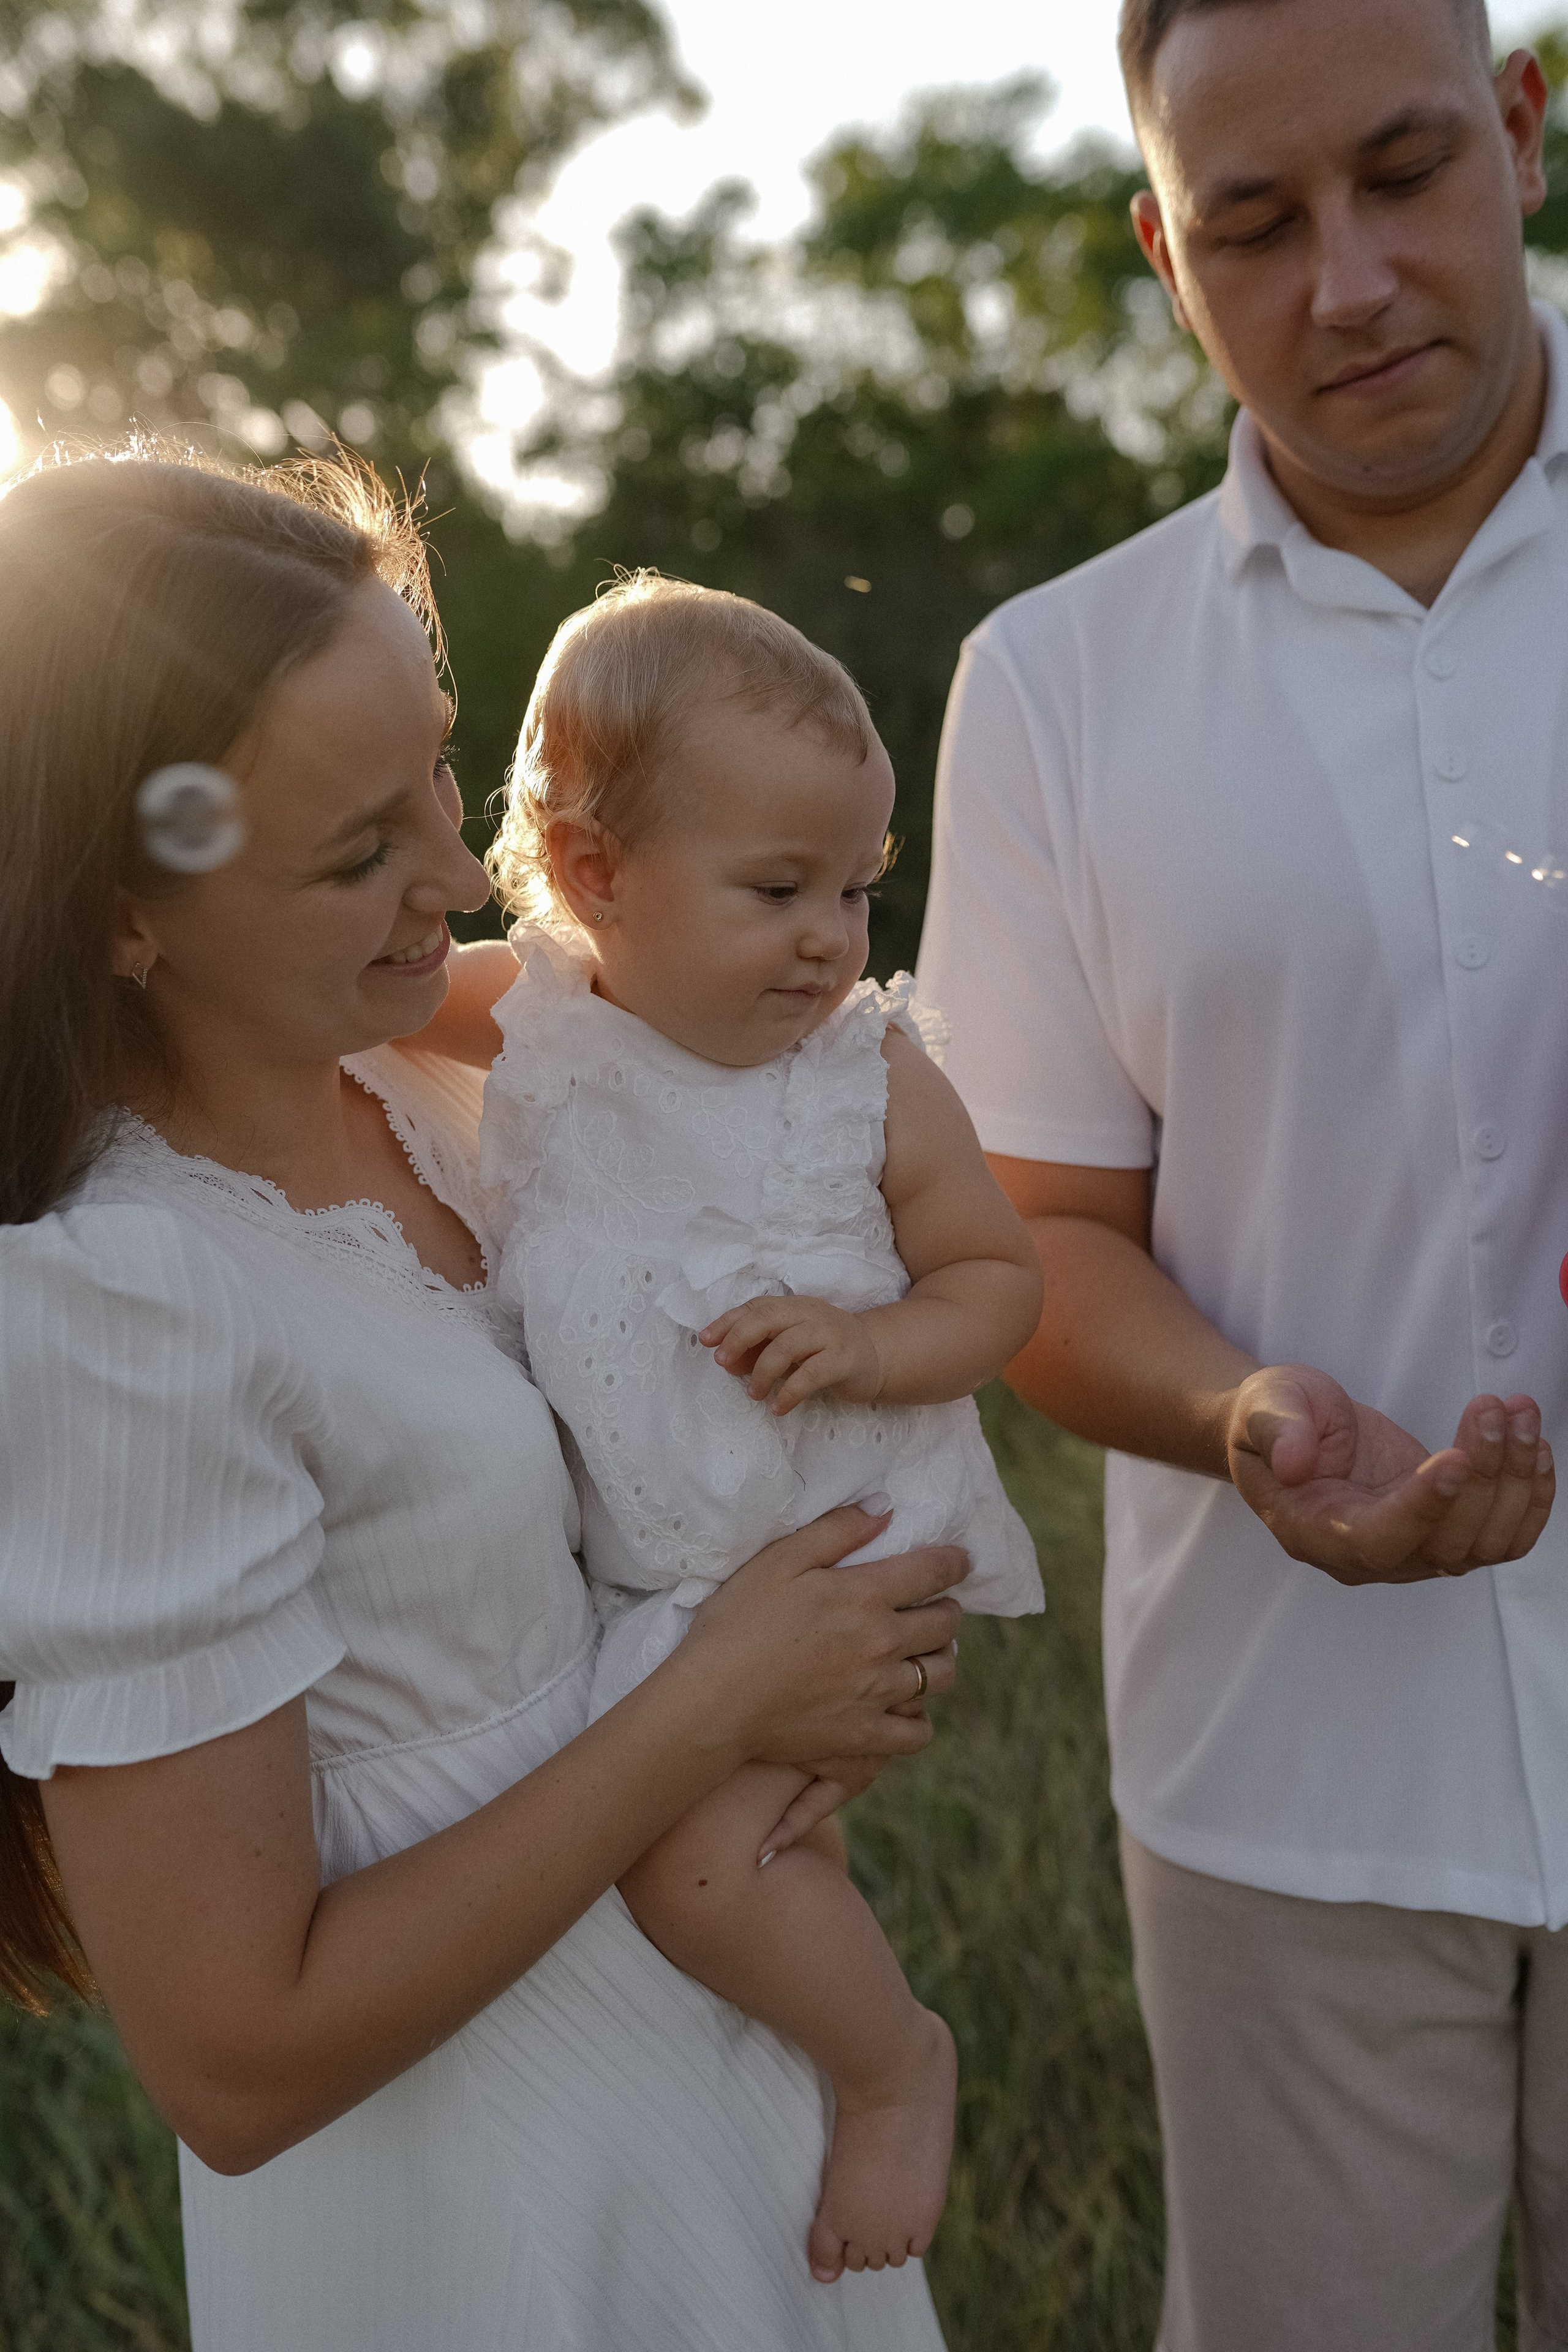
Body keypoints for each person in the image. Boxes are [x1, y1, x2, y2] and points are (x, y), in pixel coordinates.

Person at [0, 447, 968, 2352]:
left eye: (439, 768)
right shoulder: (120, 1302)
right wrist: (715, 1706)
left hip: (735, 2088)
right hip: (485, 2211)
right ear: (126, 910)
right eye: (356, 850)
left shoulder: (460, 1084)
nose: (460, 876)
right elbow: (238, 2063)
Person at [916, 0, 1568, 2343]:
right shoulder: (1056, 684)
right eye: (1257, 227)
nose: (1353, 283)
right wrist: (1241, 1417)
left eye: (1404, 174)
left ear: (1517, 122)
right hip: (1281, 1769)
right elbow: (1035, 1240)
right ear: (1164, 255)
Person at [421, 572, 1044, 2283]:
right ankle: (761, 2122)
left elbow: (997, 1279)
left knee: (695, 1874)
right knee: (767, 1855)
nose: (832, 938)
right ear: (596, 873)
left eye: (855, 887)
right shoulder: (535, 1008)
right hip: (661, 1557)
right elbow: (337, 1001)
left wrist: (866, 1340)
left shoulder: (865, 1073)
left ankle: (891, 2061)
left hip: (834, 1538)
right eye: (779, 890)